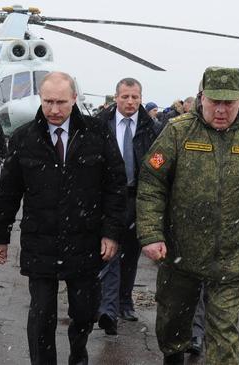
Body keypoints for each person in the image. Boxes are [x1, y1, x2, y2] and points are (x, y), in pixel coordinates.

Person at [137, 67, 239, 365]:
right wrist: (151, 234)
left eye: (228, 103)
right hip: (180, 252)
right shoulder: (178, 131)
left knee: (224, 332)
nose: (220, 110)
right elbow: (151, 183)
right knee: (172, 328)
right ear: (201, 97)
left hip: (232, 254)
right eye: (214, 101)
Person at [0, 71, 126, 365]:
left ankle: (78, 354)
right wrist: (0, 236)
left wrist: (111, 232)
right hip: (41, 241)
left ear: (75, 99)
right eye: (48, 101)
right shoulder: (24, 138)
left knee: (83, 311)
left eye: (61, 102)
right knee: (41, 315)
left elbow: (115, 187)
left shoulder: (97, 134)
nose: (54, 109)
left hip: (85, 239)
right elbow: (9, 192)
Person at [95, 78, 161, 335]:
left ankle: (124, 301)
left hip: (138, 196)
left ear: (141, 98)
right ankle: (107, 306)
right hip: (108, 196)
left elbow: (159, 161)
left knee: (131, 253)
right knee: (108, 249)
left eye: (135, 97)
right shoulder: (101, 124)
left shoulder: (151, 127)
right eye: (125, 97)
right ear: (116, 98)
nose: (130, 102)